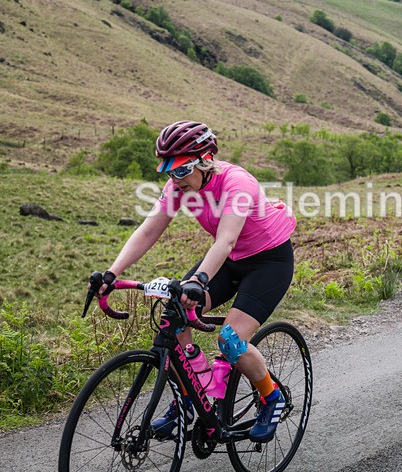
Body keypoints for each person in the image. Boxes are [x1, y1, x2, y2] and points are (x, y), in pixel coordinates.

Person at [91, 120, 296, 443]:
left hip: (268, 263)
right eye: (168, 171)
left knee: (231, 340)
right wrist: (111, 273)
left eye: (182, 170)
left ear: (206, 160)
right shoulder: (179, 186)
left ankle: (272, 397)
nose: (175, 179)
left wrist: (199, 281)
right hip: (229, 261)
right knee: (174, 316)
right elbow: (149, 230)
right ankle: (189, 397)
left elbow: (226, 240)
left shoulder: (237, 183)